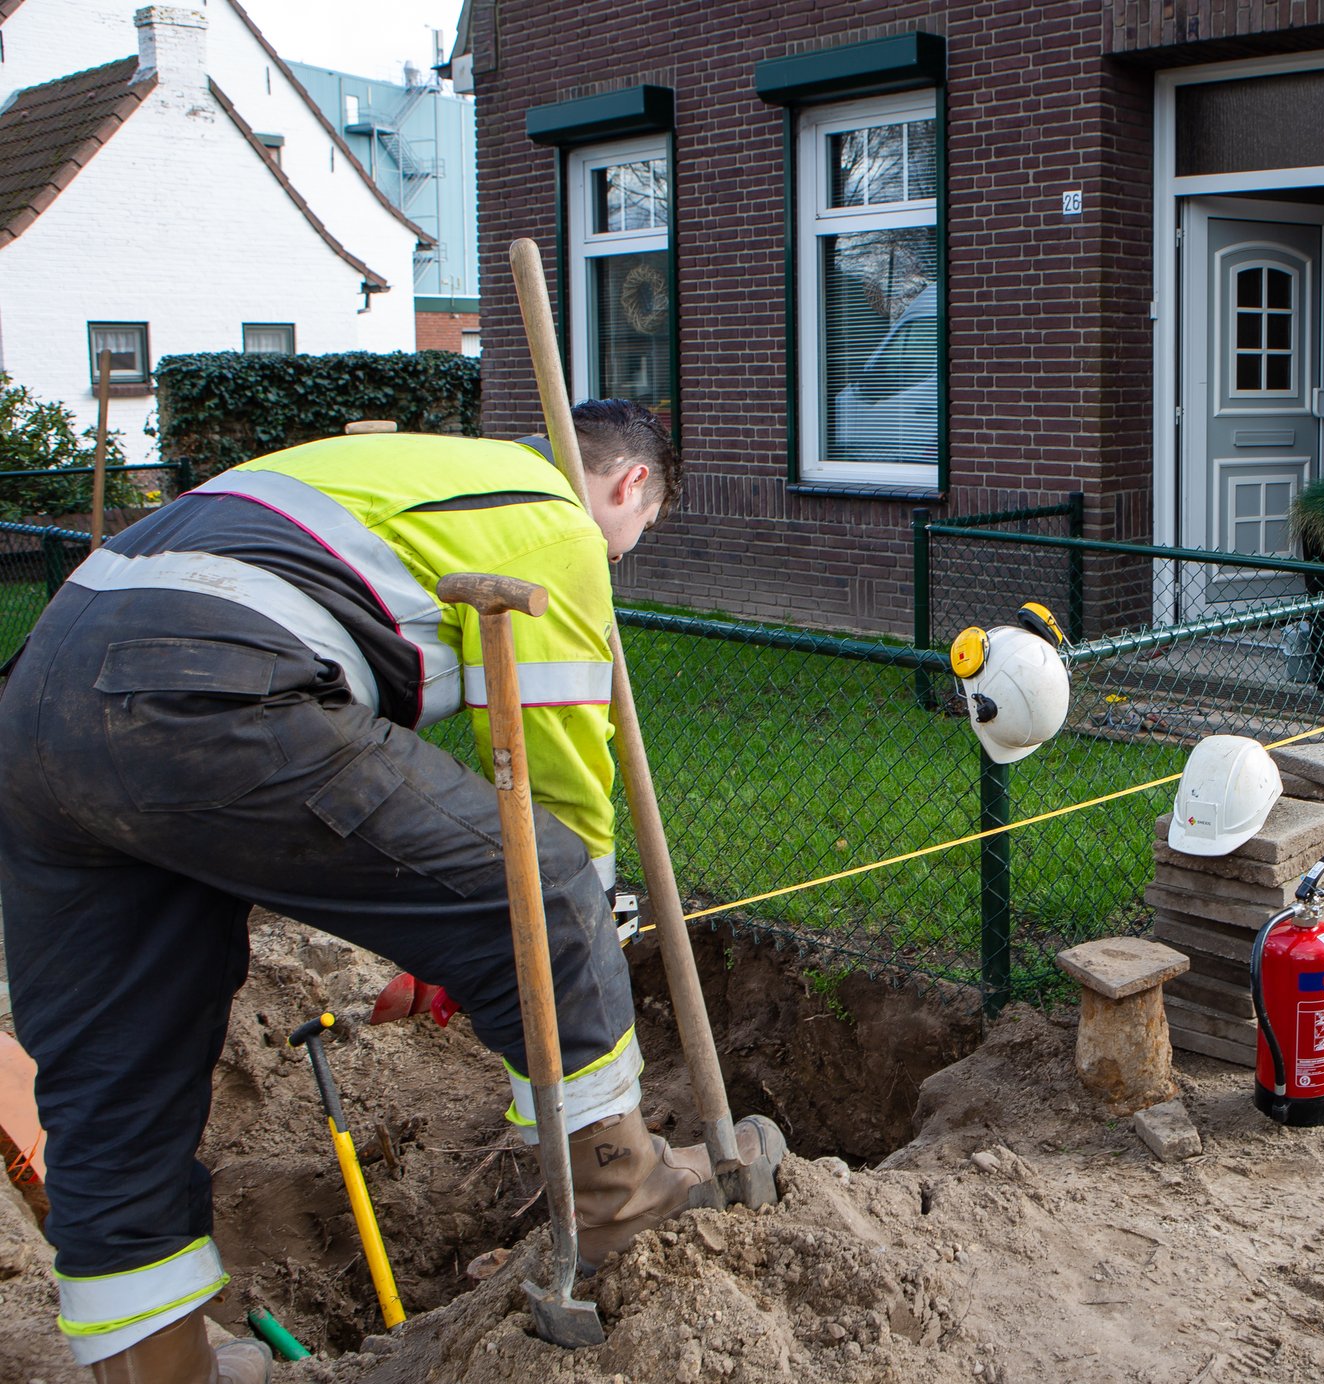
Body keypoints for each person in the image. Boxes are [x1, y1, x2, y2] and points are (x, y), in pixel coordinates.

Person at [0, 402, 783, 1384]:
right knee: (543, 884)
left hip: (39, 700)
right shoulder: (555, 520)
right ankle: (622, 1199)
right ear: (629, 487)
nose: (621, 557)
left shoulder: (415, 472)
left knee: (116, 1077)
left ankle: (156, 1363)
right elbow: (563, 801)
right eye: (642, 530)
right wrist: (552, 932)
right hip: (206, 675)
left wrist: (440, 927)